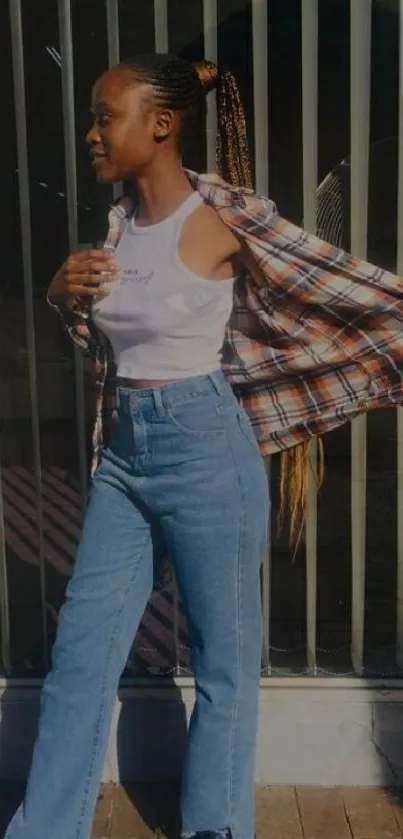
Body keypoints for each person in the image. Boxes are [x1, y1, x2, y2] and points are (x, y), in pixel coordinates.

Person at [6, 53, 403, 839]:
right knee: (81, 657)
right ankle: (44, 828)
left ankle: (214, 827)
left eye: (103, 115)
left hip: (207, 449)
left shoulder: (226, 218)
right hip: (124, 456)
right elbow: (117, 344)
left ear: (161, 126)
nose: (90, 133)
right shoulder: (119, 223)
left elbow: (344, 289)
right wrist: (62, 297)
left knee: (224, 664)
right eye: (91, 115)